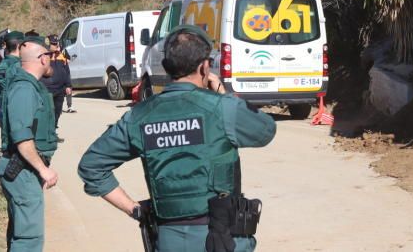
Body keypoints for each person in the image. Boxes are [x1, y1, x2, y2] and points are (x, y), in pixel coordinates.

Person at [78, 25, 276, 252]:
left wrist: (134, 209)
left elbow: (91, 166)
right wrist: (223, 92)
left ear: (166, 67)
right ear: (204, 67)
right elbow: (265, 130)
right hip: (221, 237)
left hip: (168, 238)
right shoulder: (221, 107)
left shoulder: (139, 116)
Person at [0, 37, 58, 252]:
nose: (51, 61)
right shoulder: (24, 89)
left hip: (24, 170)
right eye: (49, 56)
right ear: (42, 59)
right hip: (22, 171)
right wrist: (44, 170)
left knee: (21, 233)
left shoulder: (27, 85)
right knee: (28, 239)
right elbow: (22, 138)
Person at [40, 37, 71, 138]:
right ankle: (47, 134)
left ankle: (52, 132)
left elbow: (67, 71)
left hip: (60, 89)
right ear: (48, 45)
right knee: (49, 113)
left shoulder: (62, 56)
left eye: (57, 43)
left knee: (57, 112)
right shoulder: (43, 56)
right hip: (48, 89)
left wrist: (68, 85)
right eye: (54, 44)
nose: (57, 46)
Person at [0, 31, 25, 124]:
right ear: (18, 45)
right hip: (13, 111)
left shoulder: (21, 62)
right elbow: (5, 90)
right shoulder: (6, 65)